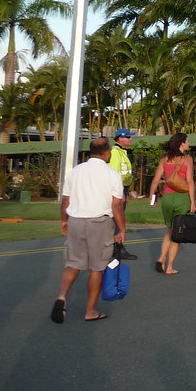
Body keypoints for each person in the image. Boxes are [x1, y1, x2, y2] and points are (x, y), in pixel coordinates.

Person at [50, 138, 126, 323]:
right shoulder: (112, 174)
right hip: (99, 222)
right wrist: (122, 229)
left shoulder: (76, 171)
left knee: (73, 263)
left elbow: (66, 200)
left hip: (76, 220)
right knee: (97, 267)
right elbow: (116, 205)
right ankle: (90, 311)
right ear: (107, 152)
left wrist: (64, 220)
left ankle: (62, 297)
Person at [148, 133, 196, 275]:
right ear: (182, 144)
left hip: (167, 199)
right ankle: (169, 267)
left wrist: (152, 198)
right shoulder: (187, 159)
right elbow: (190, 182)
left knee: (169, 230)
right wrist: (193, 202)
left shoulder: (165, 159)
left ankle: (161, 258)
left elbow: (156, 180)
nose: (189, 143)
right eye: (187, 141)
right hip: (182, 199)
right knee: (177, 233)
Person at [107, 128, 139, 260]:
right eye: (128, 137)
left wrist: (128, 191)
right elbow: (114, 175)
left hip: (122, 190)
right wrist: (120, 193)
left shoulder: (122, 152)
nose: (130, 139)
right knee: (117, 220)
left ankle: (115, 247)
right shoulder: (115, 152)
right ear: (120, 138)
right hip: (118, 191)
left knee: (116, 220)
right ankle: (117, 249)